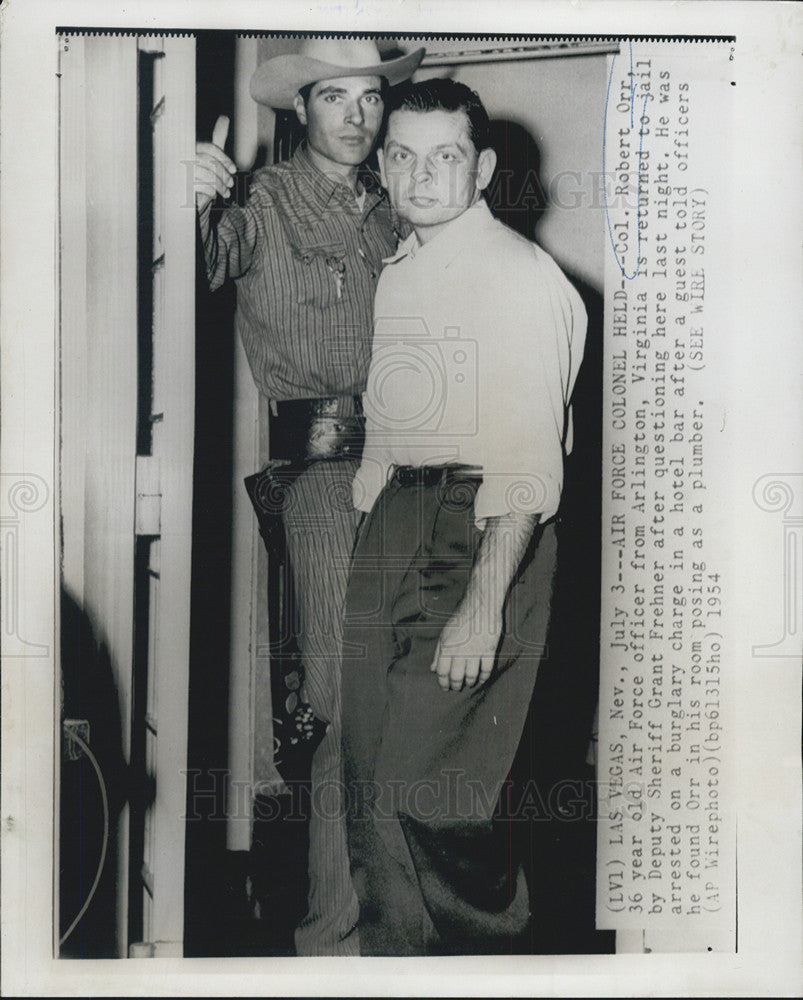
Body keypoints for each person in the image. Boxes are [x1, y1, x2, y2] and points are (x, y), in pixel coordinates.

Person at [340, 77, 588, 955]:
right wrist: (370, 527)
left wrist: (484, 603)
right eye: (400, 157)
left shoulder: (517, 278)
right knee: (371, 790)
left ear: (480, 168)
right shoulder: (404, 269)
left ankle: (489, 965)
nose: (419, 176)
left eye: (442, 157)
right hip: (399, 525)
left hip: (481, 528)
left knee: (439, 796)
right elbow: (387, 422)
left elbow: (524, 462)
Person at [193, 38, 425, 957]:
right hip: (324, 474)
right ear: (302, 109)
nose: (357, 115)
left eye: (370, 98)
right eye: (335, 97)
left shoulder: (397, 208)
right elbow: (205, 260)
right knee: (338, 697)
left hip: (414, 468)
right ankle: (331, 939)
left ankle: (385, 931)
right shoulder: (260, 204)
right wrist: (194, 193)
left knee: (399, 701)